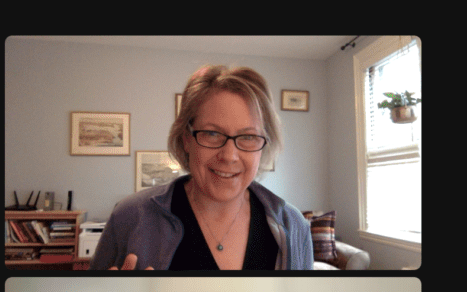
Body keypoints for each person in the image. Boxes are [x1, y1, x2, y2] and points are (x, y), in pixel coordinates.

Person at [91, 65, 312, 271]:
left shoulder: (294, 227)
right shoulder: (131, 217)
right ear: (187, 138)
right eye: (212, 133)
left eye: (248, 136)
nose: (229, 156)